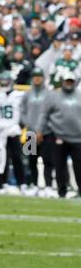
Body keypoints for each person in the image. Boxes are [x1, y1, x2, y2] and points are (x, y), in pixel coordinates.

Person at [40, 68, 80, 199]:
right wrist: (39, 130)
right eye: (66, 81)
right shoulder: (52, 96)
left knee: (78, 166)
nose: (68, 83)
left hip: (77, 137)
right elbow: (43, 114)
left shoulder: (79, 95)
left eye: (71, 81)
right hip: (53, 134)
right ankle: (51, 188)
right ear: (61, 81)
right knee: (53, 163)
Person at [21, 68, 52, 192]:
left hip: (46, 132)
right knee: (31, 159)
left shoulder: (49, 94)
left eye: (39, 76)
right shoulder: (27, 93)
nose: (37, 78)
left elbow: (52, 112)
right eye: (35, 76)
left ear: (43, 78)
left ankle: (48, 185)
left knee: (47, 160)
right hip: (31, 131)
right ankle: (33, 184)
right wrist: (29, 124)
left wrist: (43, 129)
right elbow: (22, 111)